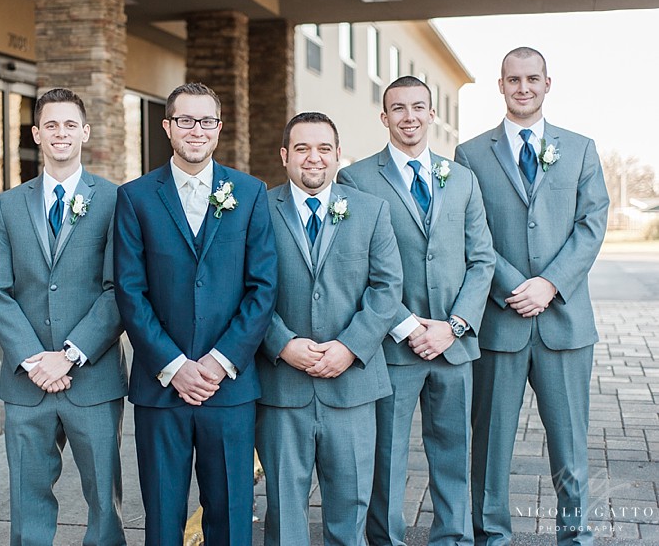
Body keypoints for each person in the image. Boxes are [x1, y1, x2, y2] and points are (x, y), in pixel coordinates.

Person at [454, 47, 609, 546]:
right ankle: (491, 537)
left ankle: (576, 536)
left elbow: (591, 225)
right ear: (499, 85)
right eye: (513, 79)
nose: (523, 87)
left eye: (532, 79)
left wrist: (550, 284)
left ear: (548, 83)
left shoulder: (581, 148)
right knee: (491, 446)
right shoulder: (470, 154)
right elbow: (470, 233)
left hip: (565, 324)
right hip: (501, 322)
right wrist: (513, 286)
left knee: (570, 447)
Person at [114, 82, 278, 545]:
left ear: (219, 128)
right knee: (163, 520)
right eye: (185, 120)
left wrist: (217, 362)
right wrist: (175, 366)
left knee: (230, 517)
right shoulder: (136, 197)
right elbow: (130, 292)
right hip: (161, 387)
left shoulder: (248, 192)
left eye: (206, 121)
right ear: (167, 127)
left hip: (228, 386)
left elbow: (262, 288)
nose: (196, 130)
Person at [340, 76, 495, 546]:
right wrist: (408, 327)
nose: (410, 116)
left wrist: (453, 326)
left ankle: (453, 538)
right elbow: (357, 268)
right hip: (393, 348)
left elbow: (482, 259)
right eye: (399, 108)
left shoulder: (462, 178)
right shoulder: (357, 179)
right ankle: (386, 539)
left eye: (418, 107)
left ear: (432, 114)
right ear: (384, 117)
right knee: (386, 457)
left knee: (453, 452)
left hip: (453, 345)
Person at [0, 88, 127, 546]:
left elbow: (117, 289)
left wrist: (68, 356)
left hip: (92, 376)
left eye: (69, 124)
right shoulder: (9, 204)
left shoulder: (114, 200)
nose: (60, 133)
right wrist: (32, 359)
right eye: (51, 125)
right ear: (36, 134)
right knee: (27, 500)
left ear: (84, 132)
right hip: (27, 382)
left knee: (104, 501)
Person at [257, 112, 402, 546]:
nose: (313, 158)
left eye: (323, 149)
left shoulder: (372, 210)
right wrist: (281, 344)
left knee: (351, 506)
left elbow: (387, 287)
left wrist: (349, 347)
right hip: (282, 386)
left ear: (339, 155)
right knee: (284, 512)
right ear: (285, 156)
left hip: (353, 386)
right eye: (302, 148)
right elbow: (245, 290)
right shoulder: (259, 209)